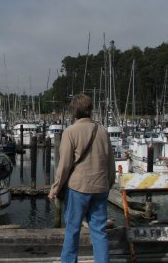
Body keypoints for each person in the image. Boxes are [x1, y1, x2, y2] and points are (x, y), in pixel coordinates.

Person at [48, 93, 115, 263]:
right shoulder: (102, 131)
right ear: (90, 110)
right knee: (99, 232)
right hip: (101, 187)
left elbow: (64, 165)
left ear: (74, 111)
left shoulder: (70, 132)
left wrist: (55, 188)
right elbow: (110, 164)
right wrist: (109, 183)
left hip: (78, 188)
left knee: (73, 230)